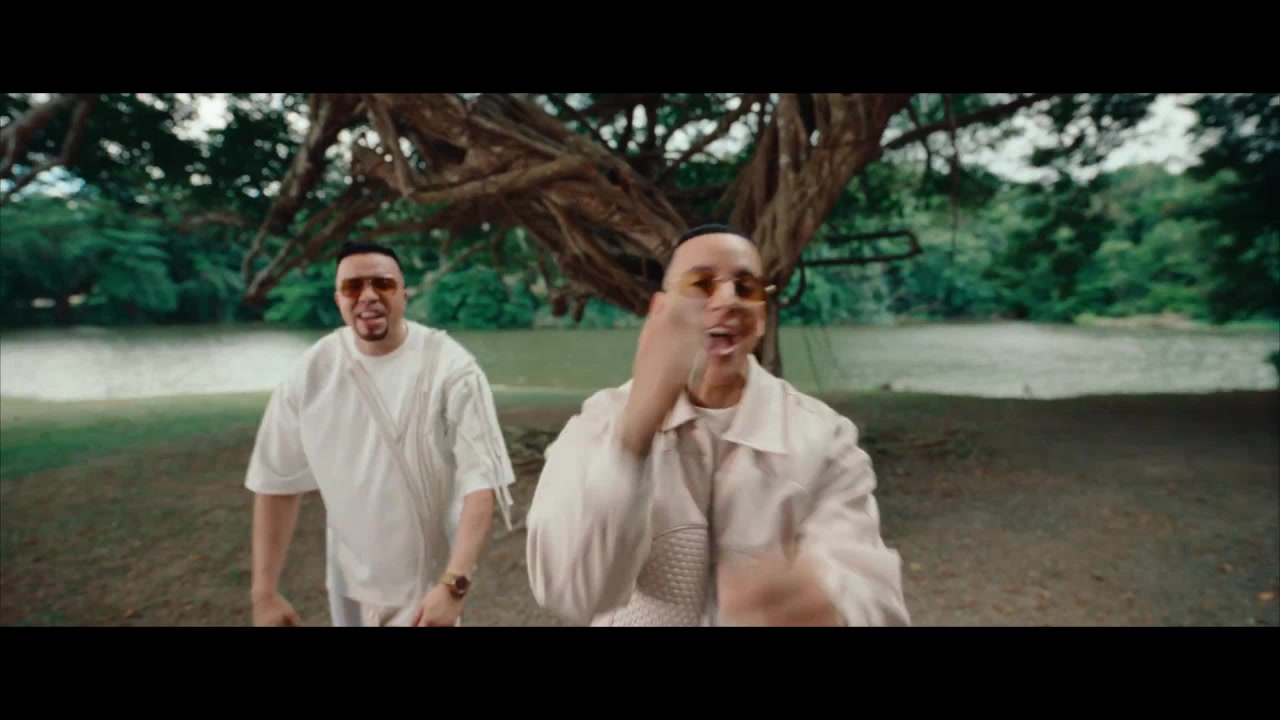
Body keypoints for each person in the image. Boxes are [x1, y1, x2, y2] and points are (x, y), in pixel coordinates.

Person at [525, 224, 910, 627]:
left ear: (761, 318)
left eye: (746, 287)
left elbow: (872, 590)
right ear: (660, 310)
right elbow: (567, 592)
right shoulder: (601, 420)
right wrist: (633, 434)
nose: (728, 299)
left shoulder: (823, 436)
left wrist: (829, 604)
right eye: (701, 283)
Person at [244, 241, 516, 627]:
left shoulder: (452, 369)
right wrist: (264, 593)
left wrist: (454, 585)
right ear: (338, 299)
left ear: (404, 294)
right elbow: (276, 483)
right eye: (353, 286)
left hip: (426, 588)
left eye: (383, 284)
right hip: (348, 585)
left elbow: (482, 484)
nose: (368, 296)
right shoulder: (311, 372)